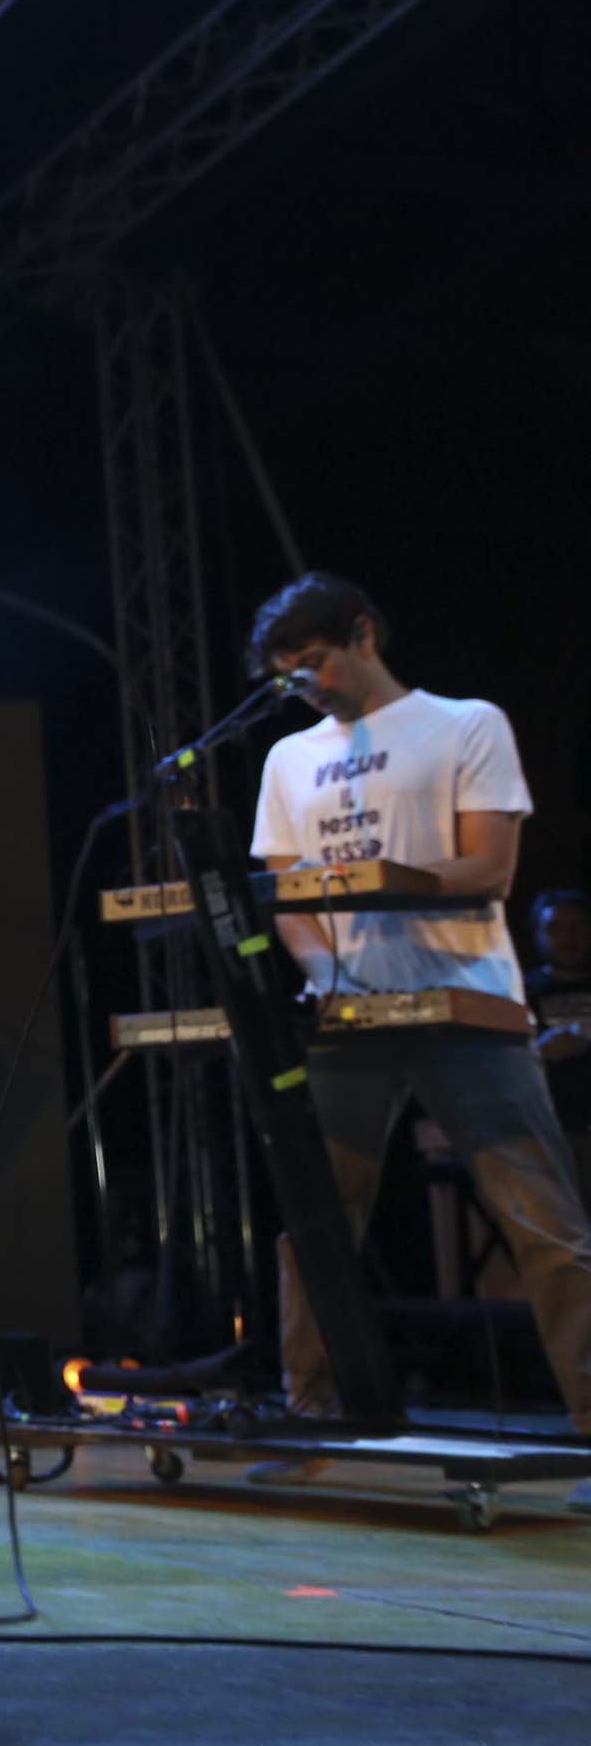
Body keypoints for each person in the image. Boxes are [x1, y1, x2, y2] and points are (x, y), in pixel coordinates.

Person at [245, 574, 591, 1506]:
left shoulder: (465, 724)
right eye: (288, 676)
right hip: (348, 1020)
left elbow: (490, 866)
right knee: (316, 1227)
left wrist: (385, 880)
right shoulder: (289, 759)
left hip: (465, 1004)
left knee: (545, 1226)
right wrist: (325, 974)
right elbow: (285, 895)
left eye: (315, 663)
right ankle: (312, 1418)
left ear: (364, 635)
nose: (305, 687)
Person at [529, 889, 591, 1151]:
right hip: (546, 1131)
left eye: (578, 927)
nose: (567, 938)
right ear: (538, 935)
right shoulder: (518, 990)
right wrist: (537, 1051)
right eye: (554, 928)